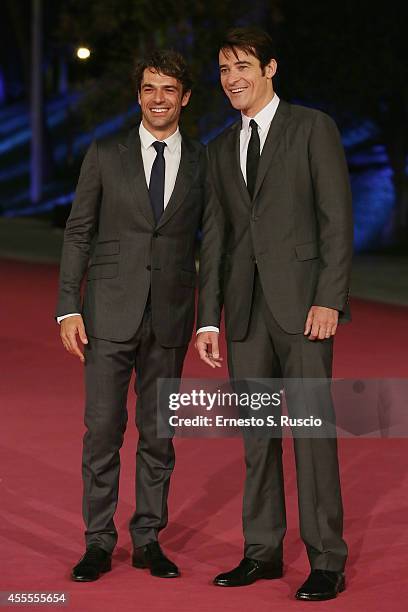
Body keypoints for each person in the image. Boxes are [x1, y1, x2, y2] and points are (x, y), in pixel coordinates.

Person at [195, 27, 353, 601]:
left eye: (242, 66)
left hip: (305, 308)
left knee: (312, 437)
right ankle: (260, 552)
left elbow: (336, 218)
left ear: (270, 68)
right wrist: (208, 319)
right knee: (257, 440)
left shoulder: (312, 128)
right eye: (223, 70)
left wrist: (330, 296)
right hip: (244, 316)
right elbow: (213, 239)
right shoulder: (217, 149)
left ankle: (327, 560)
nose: (232, 79)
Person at [57, 50, 206, 582]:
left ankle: (148, 539)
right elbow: (78, 232)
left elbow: (211, 246)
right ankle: (98, 542)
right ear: (138, 95)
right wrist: (68, 307)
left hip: (169, 315)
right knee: (102, 430)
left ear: (184, 98)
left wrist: (207, 319)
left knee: (158, 435)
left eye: (168, 89)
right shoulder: (104, 153)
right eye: (149, 89)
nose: (158, 98)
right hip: (107, 314)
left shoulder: (201, 161)